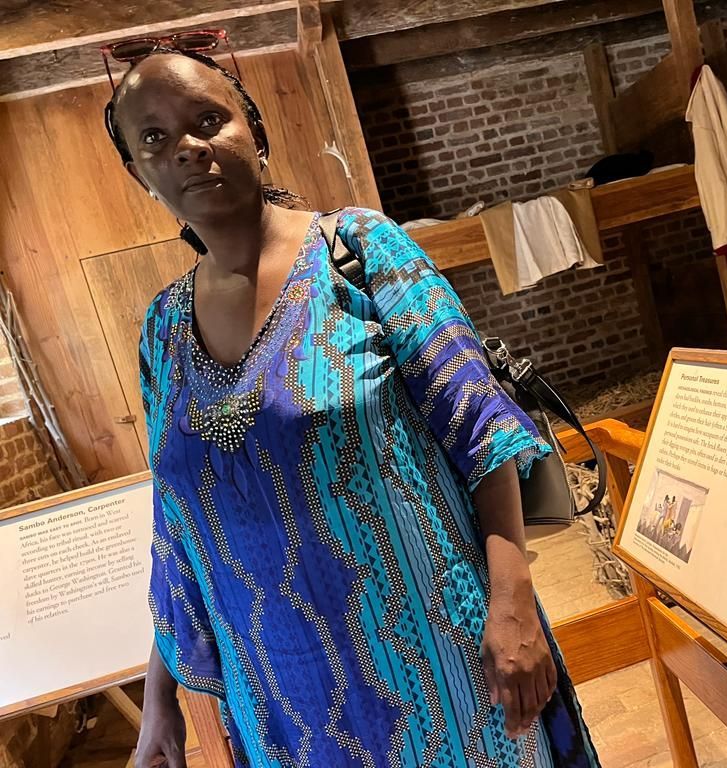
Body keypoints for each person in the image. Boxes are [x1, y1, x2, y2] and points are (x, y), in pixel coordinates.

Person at [105, 47, 600, 767]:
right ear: (138, 173)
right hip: (281, 703)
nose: (186, 147)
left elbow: (483, 429)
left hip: (440, 670)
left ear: (256, 130)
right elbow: (182, 527)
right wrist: (158, 701)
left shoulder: (361, 251)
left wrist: (513, 598)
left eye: (208, 119)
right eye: (152, 138)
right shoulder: (162, 330)